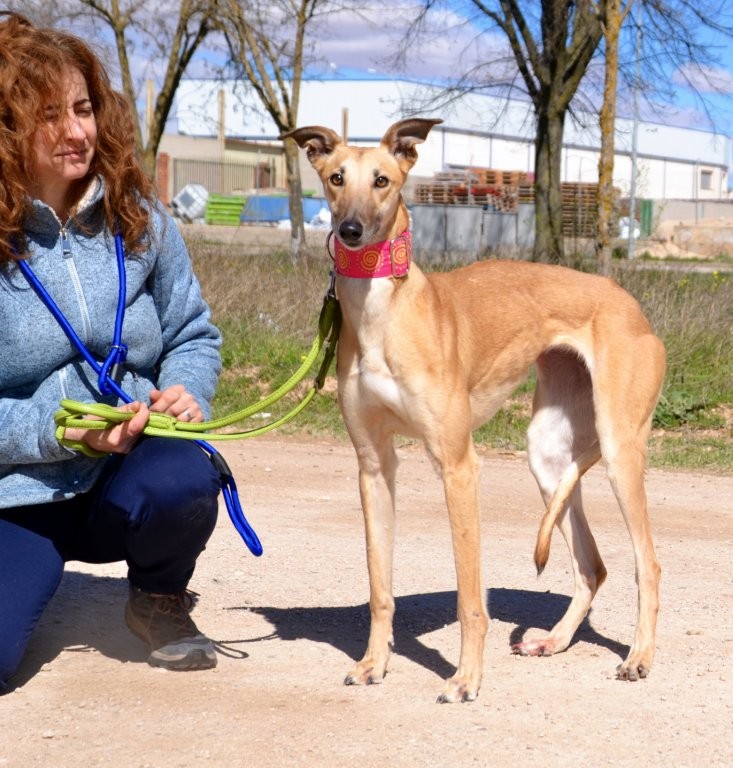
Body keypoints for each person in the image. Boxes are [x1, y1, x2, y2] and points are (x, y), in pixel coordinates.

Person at [0, 12, 224, 693]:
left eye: (84, 108)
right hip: (15, 493)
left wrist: (186, 388)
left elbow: (193, 334)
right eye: (48, 115)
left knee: (185, 475)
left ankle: (158, 597)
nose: (76, 132)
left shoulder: (143, 220)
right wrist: (54, 428)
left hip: (119, 479)